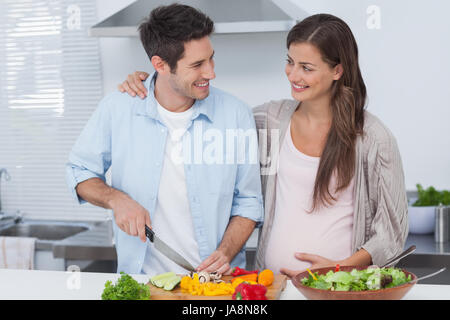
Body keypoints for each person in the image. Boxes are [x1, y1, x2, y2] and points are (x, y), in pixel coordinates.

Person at [118, 13, 408, 278]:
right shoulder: (267, 121)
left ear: (337, 71)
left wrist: (339, 267)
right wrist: (155, 82)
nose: (293, 75)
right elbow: (202, 112)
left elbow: (391, 235)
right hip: (269, 287)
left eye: (306, 67)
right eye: (290, 62)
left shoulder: (373, 139)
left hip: (336, 287)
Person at [66, 4, 263, 276]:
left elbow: (249, 201)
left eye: (211, 59)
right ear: (160, 64)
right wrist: (115, 199)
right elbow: (79, 172)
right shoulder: (117, 109)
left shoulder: (235, 114)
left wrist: (225, 253)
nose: (211, 73)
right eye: (197, 65)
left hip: (217, 288)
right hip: (143, 283)